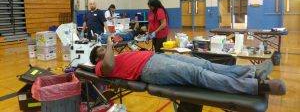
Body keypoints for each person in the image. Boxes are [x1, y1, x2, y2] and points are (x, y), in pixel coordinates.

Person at [89, 37, 287, 96]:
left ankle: (252, 71)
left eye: (101, 49)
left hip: (156, 57)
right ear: (96, 58)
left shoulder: (113, 56)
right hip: (149, 70)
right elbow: (108, 65)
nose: (102, 51)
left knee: (205, 63)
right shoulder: (101, 66)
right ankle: (256, 87)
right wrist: (107, 44)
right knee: (197, 74)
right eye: (98, 51)